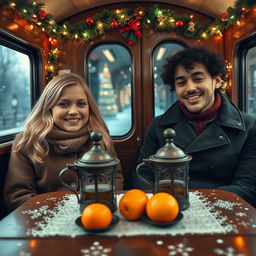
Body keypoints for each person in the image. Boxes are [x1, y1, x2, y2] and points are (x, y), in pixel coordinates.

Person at [132, 47, 256, 207]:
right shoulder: (158, 125)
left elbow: (248, 185)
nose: (190, 88)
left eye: (198, 79)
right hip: (166, 207)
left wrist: (200, 204)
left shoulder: (248, 126)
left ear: (217, 81)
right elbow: (142, 173)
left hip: (222, 209)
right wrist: (159, 203)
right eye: (181, 82)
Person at [4, 73, 123, 212]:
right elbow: (17, 196)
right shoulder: (28, 142)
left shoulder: (101, 139)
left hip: (97, 216)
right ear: (49, 108)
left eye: (81, 104)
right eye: (63, 104)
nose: (73, 111)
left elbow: (116, 180)